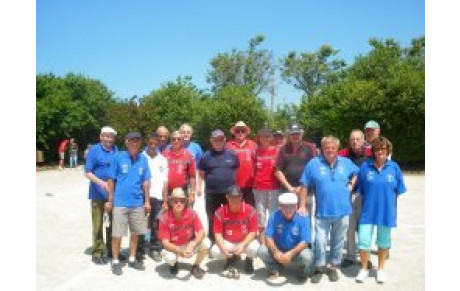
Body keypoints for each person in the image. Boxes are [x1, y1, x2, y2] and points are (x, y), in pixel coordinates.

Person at [299, 136, 359, 283]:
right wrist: (301, 205)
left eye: (333, 147)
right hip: (322, 212)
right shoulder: (313, 164)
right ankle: (319, 267)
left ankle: (333, 267)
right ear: (322, 148)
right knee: (320, 241)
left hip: (343, 211)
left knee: (338, 241)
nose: (330, 150)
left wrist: (351, 183)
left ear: (337, 149)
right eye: (327, 147)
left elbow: (357, 172)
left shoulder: (346, 162)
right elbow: (304, 184)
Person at [355, 137, 406, 284]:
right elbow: (361, 190)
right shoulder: (365, 167)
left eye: (383, 149)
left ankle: (381, 270)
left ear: (387, 150)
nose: (380, 152)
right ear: (373, 151)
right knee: (363, 242)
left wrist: (387, 203)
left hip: (386, 213)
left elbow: (399, 190)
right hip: (368, 212)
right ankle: (364, 269)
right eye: (377, 149)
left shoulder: (394, 167)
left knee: (383, 243)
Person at [105, 132, 151, 276]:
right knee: (117, 234)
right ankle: (116, 260)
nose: (135, 143)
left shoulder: (143, 159)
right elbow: (111, 180)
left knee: (136, 233)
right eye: (132, 141)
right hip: (120, 203)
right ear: (126, 142)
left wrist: (147, 201)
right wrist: (110, 200)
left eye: (137, 141)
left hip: (137, 202)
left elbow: (146, 181)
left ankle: (131, 258)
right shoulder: (118, 157)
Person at [258, 192, 313, 282]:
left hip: (296, 250)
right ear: (280, 206)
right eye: (285, 206)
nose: (288, 209)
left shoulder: (303, 217)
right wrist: (275, 252)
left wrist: (291, 253)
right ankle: (275, 269)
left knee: (307, 256)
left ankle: (303, 271)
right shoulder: (274, 216)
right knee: (262, 251)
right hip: (279, 248)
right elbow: (268, 237)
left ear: (296, 206)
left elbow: (305, 241)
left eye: (291, 206)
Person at [338, 129, 373, 268]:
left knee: (365, 227)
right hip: (348, 195)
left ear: (363, 140)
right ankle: (350, 256)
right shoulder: (344, 154)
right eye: (352, 139)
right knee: (349, 226)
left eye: (357, 139)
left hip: (365, 196)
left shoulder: (370, 155)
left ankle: (366, 256)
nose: (355, 142)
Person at [198, 129, 239, 243]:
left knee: (230, 217)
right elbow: (201, 173)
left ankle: (230, 238)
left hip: (229, 194)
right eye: (215, 140)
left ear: (225, 140)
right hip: (212, 192)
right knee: (212, 217)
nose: (218, 142)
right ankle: (213, 240)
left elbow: (237, 170)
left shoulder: (232, 154)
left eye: (221, 139)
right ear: (211, 141)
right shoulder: (206, 156)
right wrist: (199, 187)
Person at [158, 188, 210, 279]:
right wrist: (180, 251)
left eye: (182, 201)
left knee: (206, 242)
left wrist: (193, 244)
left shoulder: (192, 214)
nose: (179, 203)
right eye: (175, 201)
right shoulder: (164, 218)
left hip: (188, 244)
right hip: (173, 246)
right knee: (170, 258)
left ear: (185, 202)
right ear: (171, 202)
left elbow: (202, 232)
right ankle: (174, 264)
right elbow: (165, 243)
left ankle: (196, 266)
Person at [85, 126, 118, 264]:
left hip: (112, 195)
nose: (108, 139)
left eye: (111, 136)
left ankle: (111, 249)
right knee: (98, 224)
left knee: (112, 224)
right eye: (106, 136)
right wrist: (101, 183)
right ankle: (97, 251)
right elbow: (88, 172)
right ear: (101, 137)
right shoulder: (94, 150)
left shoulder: (116, 150)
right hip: (97, 194)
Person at [210, 186, 259, 278]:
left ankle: (249, 260)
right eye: (232, 197)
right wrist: (223, 249)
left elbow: (253, 231)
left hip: (243, 241)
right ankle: (231, 258)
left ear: (241, 197)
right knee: (215, 251)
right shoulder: (219, 212)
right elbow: (217, 234)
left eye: (237, 197)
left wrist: (243, 244)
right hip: (228, 242)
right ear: (227, 197)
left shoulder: (250, 210)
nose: (234, 199)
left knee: (255, 247)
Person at [274, 123, 316, 215]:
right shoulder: (283, 149)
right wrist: (290, 188)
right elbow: (278, 171)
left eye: (297, 133)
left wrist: (302, 187)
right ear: (289, 135)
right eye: (293, 134)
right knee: (286, 219)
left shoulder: (309, 148)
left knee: (304, 219)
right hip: (287, 191)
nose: (295, 136)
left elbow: (314, 169)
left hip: (305, 191)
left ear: (302, 134)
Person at [141, 132, 169, 262]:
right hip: (142, 196)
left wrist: (164, 200)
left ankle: (154, 248)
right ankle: (140, 248)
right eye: (150, 143)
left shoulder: (163, 159)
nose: (153, 146)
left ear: (158, 144)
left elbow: (165, 181)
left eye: (155, 144)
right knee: (141, 223)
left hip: (157, 196)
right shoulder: (141, 157)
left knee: (155, 223)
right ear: (147, 142)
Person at [253, 128, 280, 245]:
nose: (265, 139)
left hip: (274, 187)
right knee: (260, 214)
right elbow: (252, 168)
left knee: (273, 214)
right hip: (259, 187)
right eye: (262, 136)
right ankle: (263, 241)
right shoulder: (256, 151)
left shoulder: (276, 151)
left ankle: (272, 238)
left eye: (267, 136)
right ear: (259, 138)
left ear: (271, 138)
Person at [226, 121, 257, 207]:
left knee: (250, 209)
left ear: (246, 132)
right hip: (233, 184)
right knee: (234, 209)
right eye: (237, 131)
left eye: (243, 131)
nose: (240, 133)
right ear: (234, 133)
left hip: (250, 184)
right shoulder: (228, 146)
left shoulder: (253, 145)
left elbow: (258, 163)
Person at [162, 131, 196, 204]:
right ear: (170, 140)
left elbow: (192, 176)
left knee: (184, 214)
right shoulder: (164, 154)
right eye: (173, 139)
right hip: (167, 191)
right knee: (167, 214)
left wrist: (192, 193)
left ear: (182, 141)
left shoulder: (188, 155)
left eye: (178, 139)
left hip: (183, 191)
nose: (176, 141)